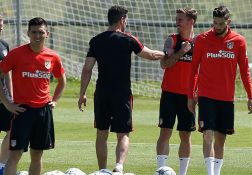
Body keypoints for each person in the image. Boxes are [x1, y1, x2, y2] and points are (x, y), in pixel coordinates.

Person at [77, 5, 165, 174]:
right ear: (122, 20)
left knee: (101, 133)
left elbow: (87, 68)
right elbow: (151, 55)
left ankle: (102, 170)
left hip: (102, 93)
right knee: (123, 133)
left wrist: (82, 94)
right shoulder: (128, 39)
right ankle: (119, 167)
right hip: (122, 93)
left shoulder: (96, 40)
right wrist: (169, 53)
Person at [187, 5, 252, 175]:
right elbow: (194, 69)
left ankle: (216, 173)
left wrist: (251, 96)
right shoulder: (203, 39)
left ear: (228, 22)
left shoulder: (239, 41)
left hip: (226, 98)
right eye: (215, 23)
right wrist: (191, 95)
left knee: (220, 139)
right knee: (207, 135)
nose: (217, 27)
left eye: (220, 23)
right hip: (206, 96)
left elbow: (245, 71)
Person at [0, 17, 66, 175]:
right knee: (15, 155)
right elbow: (0, 75)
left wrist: (55, 101)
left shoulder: (53, 57)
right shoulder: (16, 54)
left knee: (37, 154)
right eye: (34, 32)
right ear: (28, 33)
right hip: (22, 111)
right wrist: (7, 103)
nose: (37, 35)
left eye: (41, 32)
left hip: (43, 112)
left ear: (47, 34)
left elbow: (62, 82)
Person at [156, 7, 197, 175]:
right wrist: (181, 52)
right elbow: (164, 64)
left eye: (180, 19)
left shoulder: (200, 42)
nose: (177, 22)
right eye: (177, 19)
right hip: (169, 94)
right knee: (165, 131)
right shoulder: (171, 40)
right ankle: (160, 170)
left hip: (189, 96)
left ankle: (182, 173)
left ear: (191, 22)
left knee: (185, 135)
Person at [0, 15, 13, 175]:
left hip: (4, 100)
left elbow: (8, 72)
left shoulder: (4, 45)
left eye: (1, 23)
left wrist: (11, 96)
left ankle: (1, 166)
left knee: (12, 130)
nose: (0, 26)